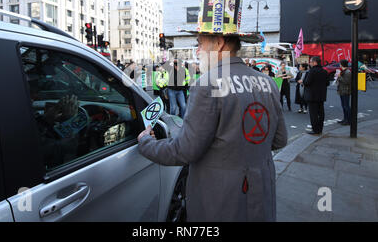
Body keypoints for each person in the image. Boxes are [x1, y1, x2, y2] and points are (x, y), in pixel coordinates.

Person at [137, 33, 288, 222]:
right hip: (262, 194)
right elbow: (280, 139)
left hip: (221, 201)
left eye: (200, 44)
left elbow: (184, 151)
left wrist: (146, 142)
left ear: (219, 43)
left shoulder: (206, 84)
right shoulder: (268, 83)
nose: (197, 51)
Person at [303, 56, 330, 136]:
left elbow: (307, 82)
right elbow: (327, 83)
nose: (310, 63)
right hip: (321, 95)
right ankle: (320, 129)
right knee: (321, 112)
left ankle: (315, 130)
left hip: (312, 96)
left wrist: (303, 82)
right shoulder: (324, 71)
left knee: (313, 113)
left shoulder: (312, 71)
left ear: (315, 62)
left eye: (311, 62)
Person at [336, 59, 351, 126]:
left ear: (342, 64)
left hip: (345, 91)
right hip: (342, 90)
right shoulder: (343, 71)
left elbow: (347, 82)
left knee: (346, 106)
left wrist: (339, 77)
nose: (339, 65)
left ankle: (348, 120)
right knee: (343, 106)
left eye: (340, 63)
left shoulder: (348, 72)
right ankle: (345, 119)